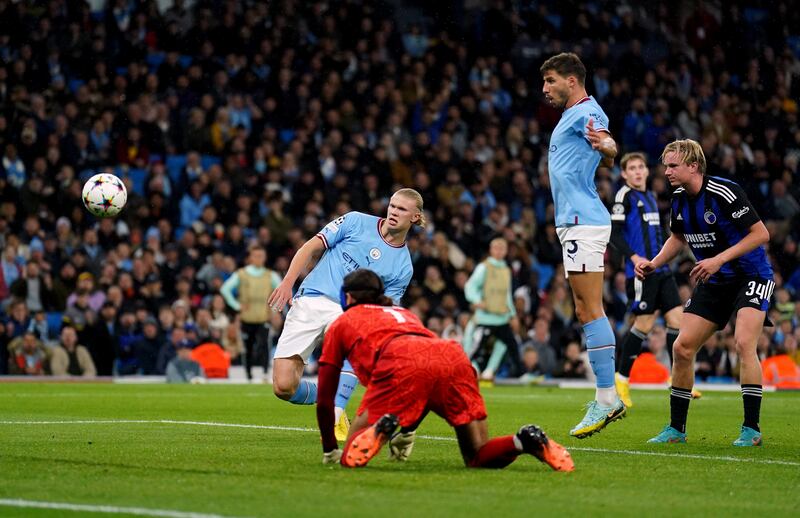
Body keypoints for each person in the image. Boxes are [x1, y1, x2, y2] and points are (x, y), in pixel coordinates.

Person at [316, 269, 573, 472]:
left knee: (349, 455)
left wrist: (330, 448)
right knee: (477, 454)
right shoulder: (404, 313)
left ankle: (381, 431)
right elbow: (425, 378)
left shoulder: (343, 321)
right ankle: (524, 441)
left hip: (399, 357)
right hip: (450, 354)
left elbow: (325, 398)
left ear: (347, 297)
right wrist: (407, 429)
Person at [637, 139, 773, 446]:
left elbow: (761, 234)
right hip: (714, 280)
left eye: (673, 165)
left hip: (750, 275)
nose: (667, 171)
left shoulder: (724, 192)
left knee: (743, 342)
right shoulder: (679, 199)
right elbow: (678, 237)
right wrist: (654, 263)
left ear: (693, 166)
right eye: (666, 165)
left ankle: (751, 429)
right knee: (682, 348)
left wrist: (719, 258)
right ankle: (676, 429)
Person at [267, 189, 423, 441]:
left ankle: (336, 411)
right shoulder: (355, 221)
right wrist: (288, 282)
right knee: (283, 387)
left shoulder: (403, 266)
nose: (394, 212)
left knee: (357, 336)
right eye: (392, 206)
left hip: (350, 313)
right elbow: (311, 246)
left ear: (415, 217)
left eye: (402, 209)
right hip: (311, 299)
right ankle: (331, 394)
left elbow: (385, 310)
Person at [540, 52, 625, 437]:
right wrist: (603, 154)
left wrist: (607, 147)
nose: (546, 89)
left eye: (551, 81)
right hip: (575, 222)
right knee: (583, 308)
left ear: (572, 81)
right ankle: (606, 394)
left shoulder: (587, 112)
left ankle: (607, 398)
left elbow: (608, 146)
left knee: (590, 309)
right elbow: (601, 159)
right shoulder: (571, 117)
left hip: (583, 222)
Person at [609, 152, 685, 407]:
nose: (638, 171)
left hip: (661, 269)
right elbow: (614, 234)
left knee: (677, 319)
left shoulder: (650, 196)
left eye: (641, 166)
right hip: (641, 272)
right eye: (632, 168)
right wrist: (633, 258)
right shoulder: (624, 197)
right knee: (643, 323)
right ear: (624, 174)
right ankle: (621, 382)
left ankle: (678, 380)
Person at [464, 237, 524, 380]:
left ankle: (495, 371)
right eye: (496, 248)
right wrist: (476, 300)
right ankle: (470, 370)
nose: (499, 251)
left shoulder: (505, 269)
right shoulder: (483, 267)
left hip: (501, 317)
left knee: (510, 344)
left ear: (506, 251)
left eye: (502, 248)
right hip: (485, 316)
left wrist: (513, 315)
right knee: (476, 348)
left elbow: (507, 295)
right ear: (491, 250)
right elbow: (470, 286)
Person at [220, 245, 282, 380]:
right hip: (246, 318)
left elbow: (281, 291)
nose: (259, 259)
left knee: (264, 345)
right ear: (250, 258)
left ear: (265, 257)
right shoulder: (241, 274)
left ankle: (265, 373)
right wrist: (236, 305)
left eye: (261, 256)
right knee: (247, 348)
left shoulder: (270, 275)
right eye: (256, 256)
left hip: (263, 317)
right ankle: (248, 375)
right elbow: (225, 289)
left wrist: (274, 310)